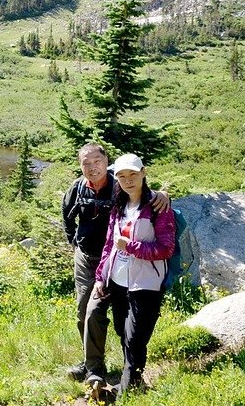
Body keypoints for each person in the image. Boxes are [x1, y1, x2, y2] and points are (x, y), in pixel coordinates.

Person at [62, 144, 168, 384]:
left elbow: (141, 193)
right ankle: (93, 368)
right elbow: (67, 216)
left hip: (117, 262)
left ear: (106, 161)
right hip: (86, 260)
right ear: (80, 166)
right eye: (86, 164)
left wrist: (162, 195)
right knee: (85, 314)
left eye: (96, 162)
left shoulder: (119, 185)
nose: (92, 168)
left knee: (123, 318)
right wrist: (74, 244)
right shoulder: (77, 188)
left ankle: (130, 370)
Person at [89, 153, 175, 396]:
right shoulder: (119, 205)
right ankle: (135, 382)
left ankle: (124, 393)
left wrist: (132, 247)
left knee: (135, 339)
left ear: (143, 173)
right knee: (122, 332)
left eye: (133, 175)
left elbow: (166, 249)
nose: (128, 180)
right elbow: (110, 244)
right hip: (117, 281)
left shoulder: (158, 207)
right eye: (122, 176)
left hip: (146, 284)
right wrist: (99, 276)